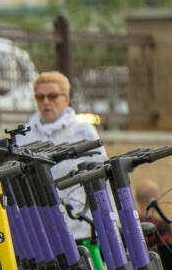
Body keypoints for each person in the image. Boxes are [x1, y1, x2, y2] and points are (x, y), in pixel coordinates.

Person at [17, 71, 107, 239]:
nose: (46, 102)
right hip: (38, 228)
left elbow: (102, 176)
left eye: (52, 96)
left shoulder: (83, 131)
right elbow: (10, 182)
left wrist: (110, 220)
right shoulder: (23, 135)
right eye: (40, 97)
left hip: (78, 225)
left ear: (66, 99)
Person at [135, 179, 172, 250]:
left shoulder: (129, 224)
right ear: (156, 199)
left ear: (136, 198)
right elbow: (167, 253)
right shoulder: (162, 226)